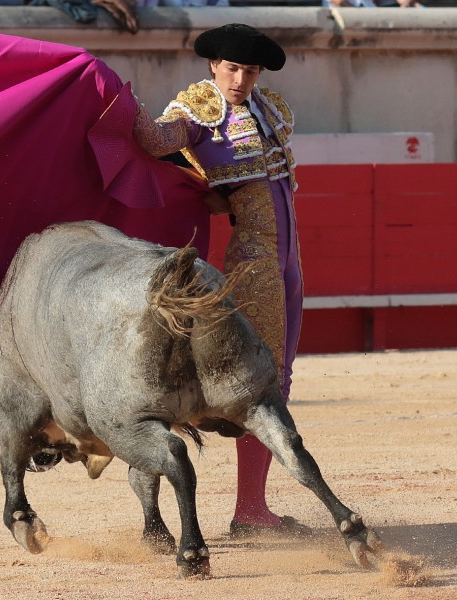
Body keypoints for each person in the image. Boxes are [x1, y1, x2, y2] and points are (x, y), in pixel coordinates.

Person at [133, 23, 307, 538]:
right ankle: (247, 511)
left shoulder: (267, 109)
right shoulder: (197, 112)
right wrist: (111, 94)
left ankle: (252, 508)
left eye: (250, 71)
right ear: (213, 66)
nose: (240, 80)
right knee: (261, 381)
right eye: (232, 68)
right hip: (250, 261)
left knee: (279, 376)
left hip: (288, 262)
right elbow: (153, 142)